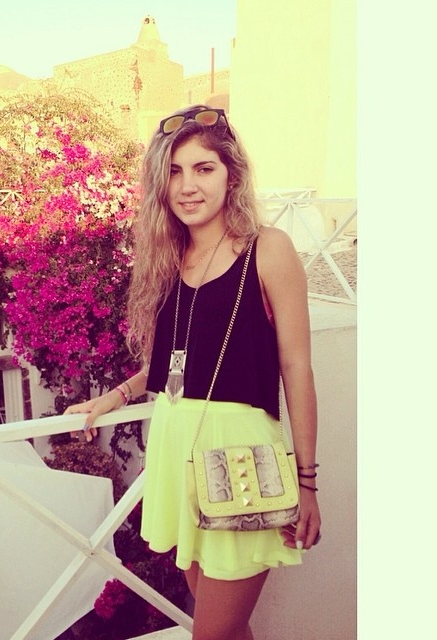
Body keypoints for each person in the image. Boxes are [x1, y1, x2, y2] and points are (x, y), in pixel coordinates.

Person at [65, 105, 321, 640]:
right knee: (227, 628)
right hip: (176, 450)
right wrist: (114, 397)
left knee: (212, 633)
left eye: (204, 168)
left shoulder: (267, 249)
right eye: (174, 172)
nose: (187, 186)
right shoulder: (170, 258)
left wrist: (307, 483)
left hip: (239, 460)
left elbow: (297, 368)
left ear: (232, 174)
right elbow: (170, 366)